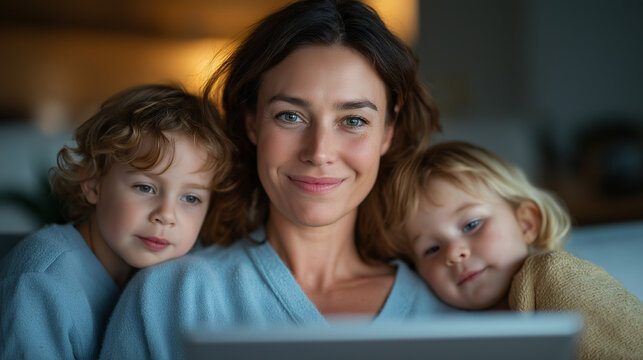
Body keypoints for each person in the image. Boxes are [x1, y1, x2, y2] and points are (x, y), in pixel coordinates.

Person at [99, 0, 450, 358]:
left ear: (388, 131)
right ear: (252, 122)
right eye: (290, 116)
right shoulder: (174, 296)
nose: (319, 151)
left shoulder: (446, 307)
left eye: (354, 121)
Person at [0, 84, 233, 359]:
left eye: (191, 198)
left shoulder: (179, 283)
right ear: (93, 183)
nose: (167, 215)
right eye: (145, 188)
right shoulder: (40, 280)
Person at [400, 140, 643, 360]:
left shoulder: (556, 277)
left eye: (471, 224)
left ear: (526, 223)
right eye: (431, 249)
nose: (453, 254)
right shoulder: (440, 328)